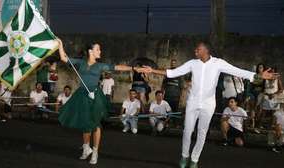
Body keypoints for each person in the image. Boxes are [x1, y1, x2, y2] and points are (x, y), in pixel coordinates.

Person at [142, 42, 278, 168]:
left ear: (206, 51)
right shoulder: (192, 63)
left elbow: (237, 71)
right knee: (187, 131)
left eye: (198, 49)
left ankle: (194, 159)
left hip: (208, 104)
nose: (195, 50)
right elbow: (172, 72)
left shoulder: (218, 63)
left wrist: (259, 76)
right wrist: (152, 70)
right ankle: (184, 156)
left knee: (202, 132)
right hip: (193, 102)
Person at [57, 39, 145, 165]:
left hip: (95, 96)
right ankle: (86, 148)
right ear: (90, 51)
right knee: (85, 123)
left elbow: (117, 67)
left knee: (96, 124)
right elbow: (64, 58)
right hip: (82, 95)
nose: (100, 51)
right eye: (98, 49)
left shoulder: (100, 66)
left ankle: (95, 151)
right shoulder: (80, 63)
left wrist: (135, 68)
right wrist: (60, 45)